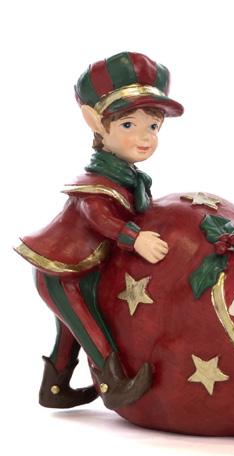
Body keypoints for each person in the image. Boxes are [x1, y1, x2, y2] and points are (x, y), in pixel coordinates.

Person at [15, 52, 183, 410]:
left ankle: (54, 389)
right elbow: (98, 217)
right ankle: (115, 383)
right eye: (128, 125)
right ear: (95, 122)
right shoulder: (97, 184)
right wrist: (135, 238)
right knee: (91, 329)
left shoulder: (127, 178)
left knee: (69, 332)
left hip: (86, 270)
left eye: (153, 127)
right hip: (64, 273)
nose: (144, 138)